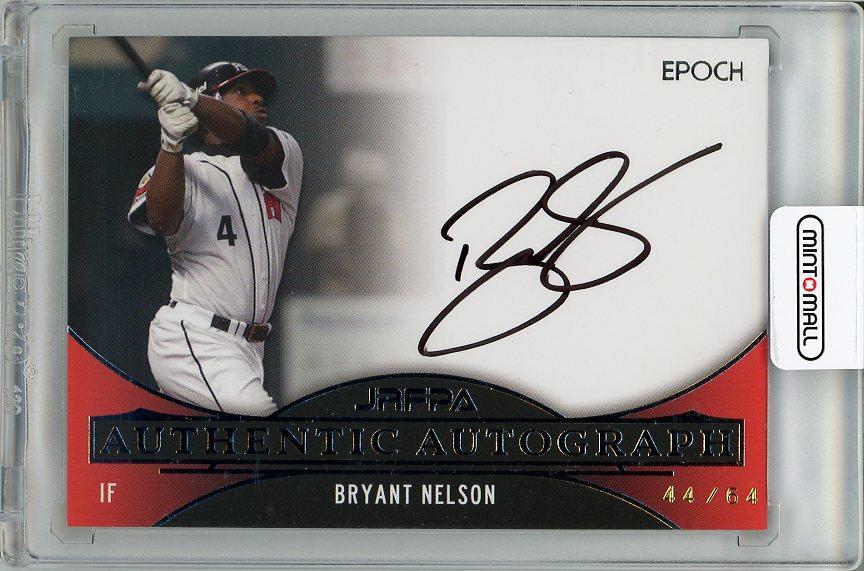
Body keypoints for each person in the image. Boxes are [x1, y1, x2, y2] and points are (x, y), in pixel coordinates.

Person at [128, 62, 302, 416]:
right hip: (194, 335)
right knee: (265, 430)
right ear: (213, 100)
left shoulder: (283, 154)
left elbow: (251, 138)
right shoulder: (183, 168)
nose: (257, 98)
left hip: (250, 348)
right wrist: (171, 143)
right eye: (241, 91)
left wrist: (191, 99)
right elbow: (162, 222)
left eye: (259, 92)